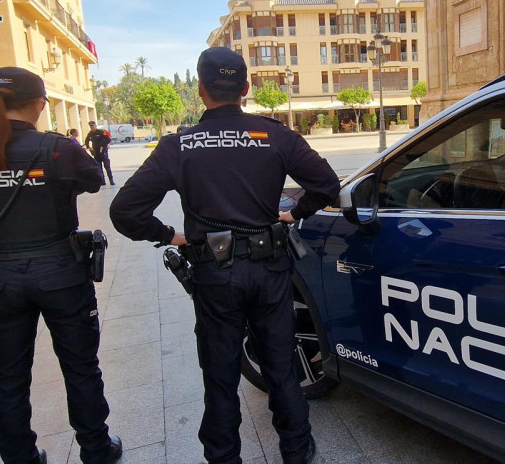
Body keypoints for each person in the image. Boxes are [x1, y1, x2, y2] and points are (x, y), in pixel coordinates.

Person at [108, 47, 339, 464]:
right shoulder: (275, 135)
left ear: (201, 90)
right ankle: (296, 450)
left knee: (220, 376)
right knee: (281, 367)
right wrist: (293, 214)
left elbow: (124, 212)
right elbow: (326, 185)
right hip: (270, 269)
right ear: (246, 88)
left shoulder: (178, 145)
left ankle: (223, 457)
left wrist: (169, 236)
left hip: (214, 275)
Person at [0, 67, 123, 464]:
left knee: (7, 377)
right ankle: (96, 448)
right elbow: (94, 180)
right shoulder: (57, 148)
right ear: (40, 104)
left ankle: (20, 457)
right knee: (80, 366)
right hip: (59, 273)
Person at [84, 121, 114, 186]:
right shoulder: (90, 134)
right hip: (96, 152)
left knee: (107, 167)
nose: (92, 127)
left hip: (103, 152)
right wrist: (89, 147)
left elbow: (108, 139)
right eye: (91, 126)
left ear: (95, 125)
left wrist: (102, 146)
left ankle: (111, 180)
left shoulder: (100, 132)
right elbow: (86, 141)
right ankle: (102, 181)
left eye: (93, 125)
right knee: (99, 168)